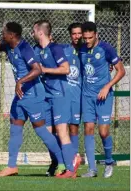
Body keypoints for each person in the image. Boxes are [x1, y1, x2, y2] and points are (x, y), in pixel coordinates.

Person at [0, 22, 63, 177]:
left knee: (41, 130)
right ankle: (11, 166)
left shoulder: (25, 48)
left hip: (33, 95)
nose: (2, 35)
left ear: (12, 35)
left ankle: (63, 163)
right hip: (20, 96)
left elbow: (37, 69)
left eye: (4, 33)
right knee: (15, 128)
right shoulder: (9, 46)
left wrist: (20, 81)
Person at [33, 20, 80, 178]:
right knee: (47, 132)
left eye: (34, 31)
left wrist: (44, 69)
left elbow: (66, 69)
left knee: (61, 131)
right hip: (46, 96)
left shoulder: (55, 48)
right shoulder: (37, 49)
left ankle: (70, 168)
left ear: (40, 32)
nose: (32, 33)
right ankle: (64, 161)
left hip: (60, 94)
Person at [79, 21, 125, 178]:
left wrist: (107, 86)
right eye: (85, 38)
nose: (87, 41)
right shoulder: (81, 49)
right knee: (88, 129)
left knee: (103, 132)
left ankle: (109, 161)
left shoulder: (106, 48)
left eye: (90, 37)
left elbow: (121, 71)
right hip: (87, 96)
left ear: (96, 35)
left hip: (103, 96)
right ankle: (92, 169)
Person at [46, 23, 83, 177]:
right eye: (74, 33)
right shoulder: (64, 50)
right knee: (54, 130)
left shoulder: (87, 52)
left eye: (79, 33)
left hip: (78, 96)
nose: (77, 36)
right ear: (70, 35)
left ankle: (72, 165)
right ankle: (58, 161)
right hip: (62, 95)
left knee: (73, 129)